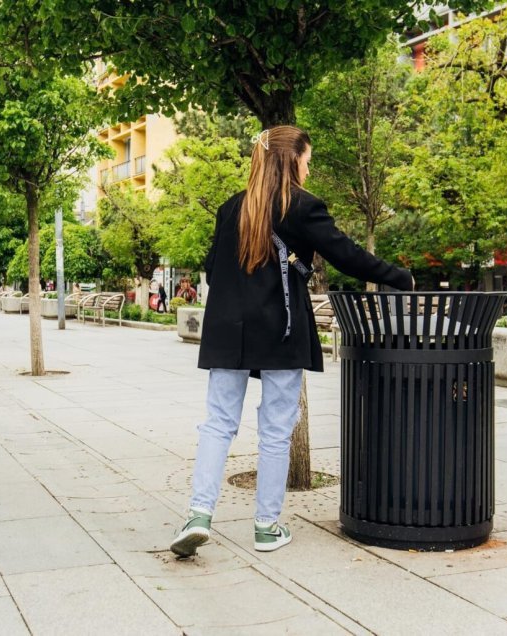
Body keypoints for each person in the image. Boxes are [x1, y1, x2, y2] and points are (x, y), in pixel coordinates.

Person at [170, 126, 413, 558]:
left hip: (228, 330)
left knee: (218, 423)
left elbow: (211, 268)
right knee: (277, 428)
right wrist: (399, 277)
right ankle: (266, 527)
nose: (308, 166)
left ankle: (198, 515)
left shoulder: (231, 208)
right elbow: (346, 254)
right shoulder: (301, 206)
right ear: (291, 159)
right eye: (307, 160)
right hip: (279, 328)